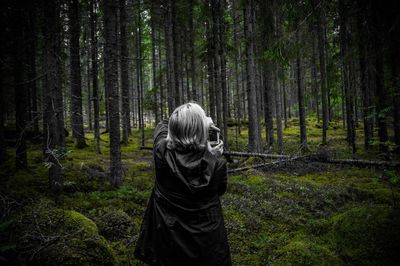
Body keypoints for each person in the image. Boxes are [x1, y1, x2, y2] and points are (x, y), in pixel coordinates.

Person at [134, 103, 231, 266]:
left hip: (166, 236)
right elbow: (220, 190)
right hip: (205, 241)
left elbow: (163, 124)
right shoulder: (217, 165)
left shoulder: (161, 152)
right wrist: (210, 156)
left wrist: (191, 122)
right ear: (201, 132)